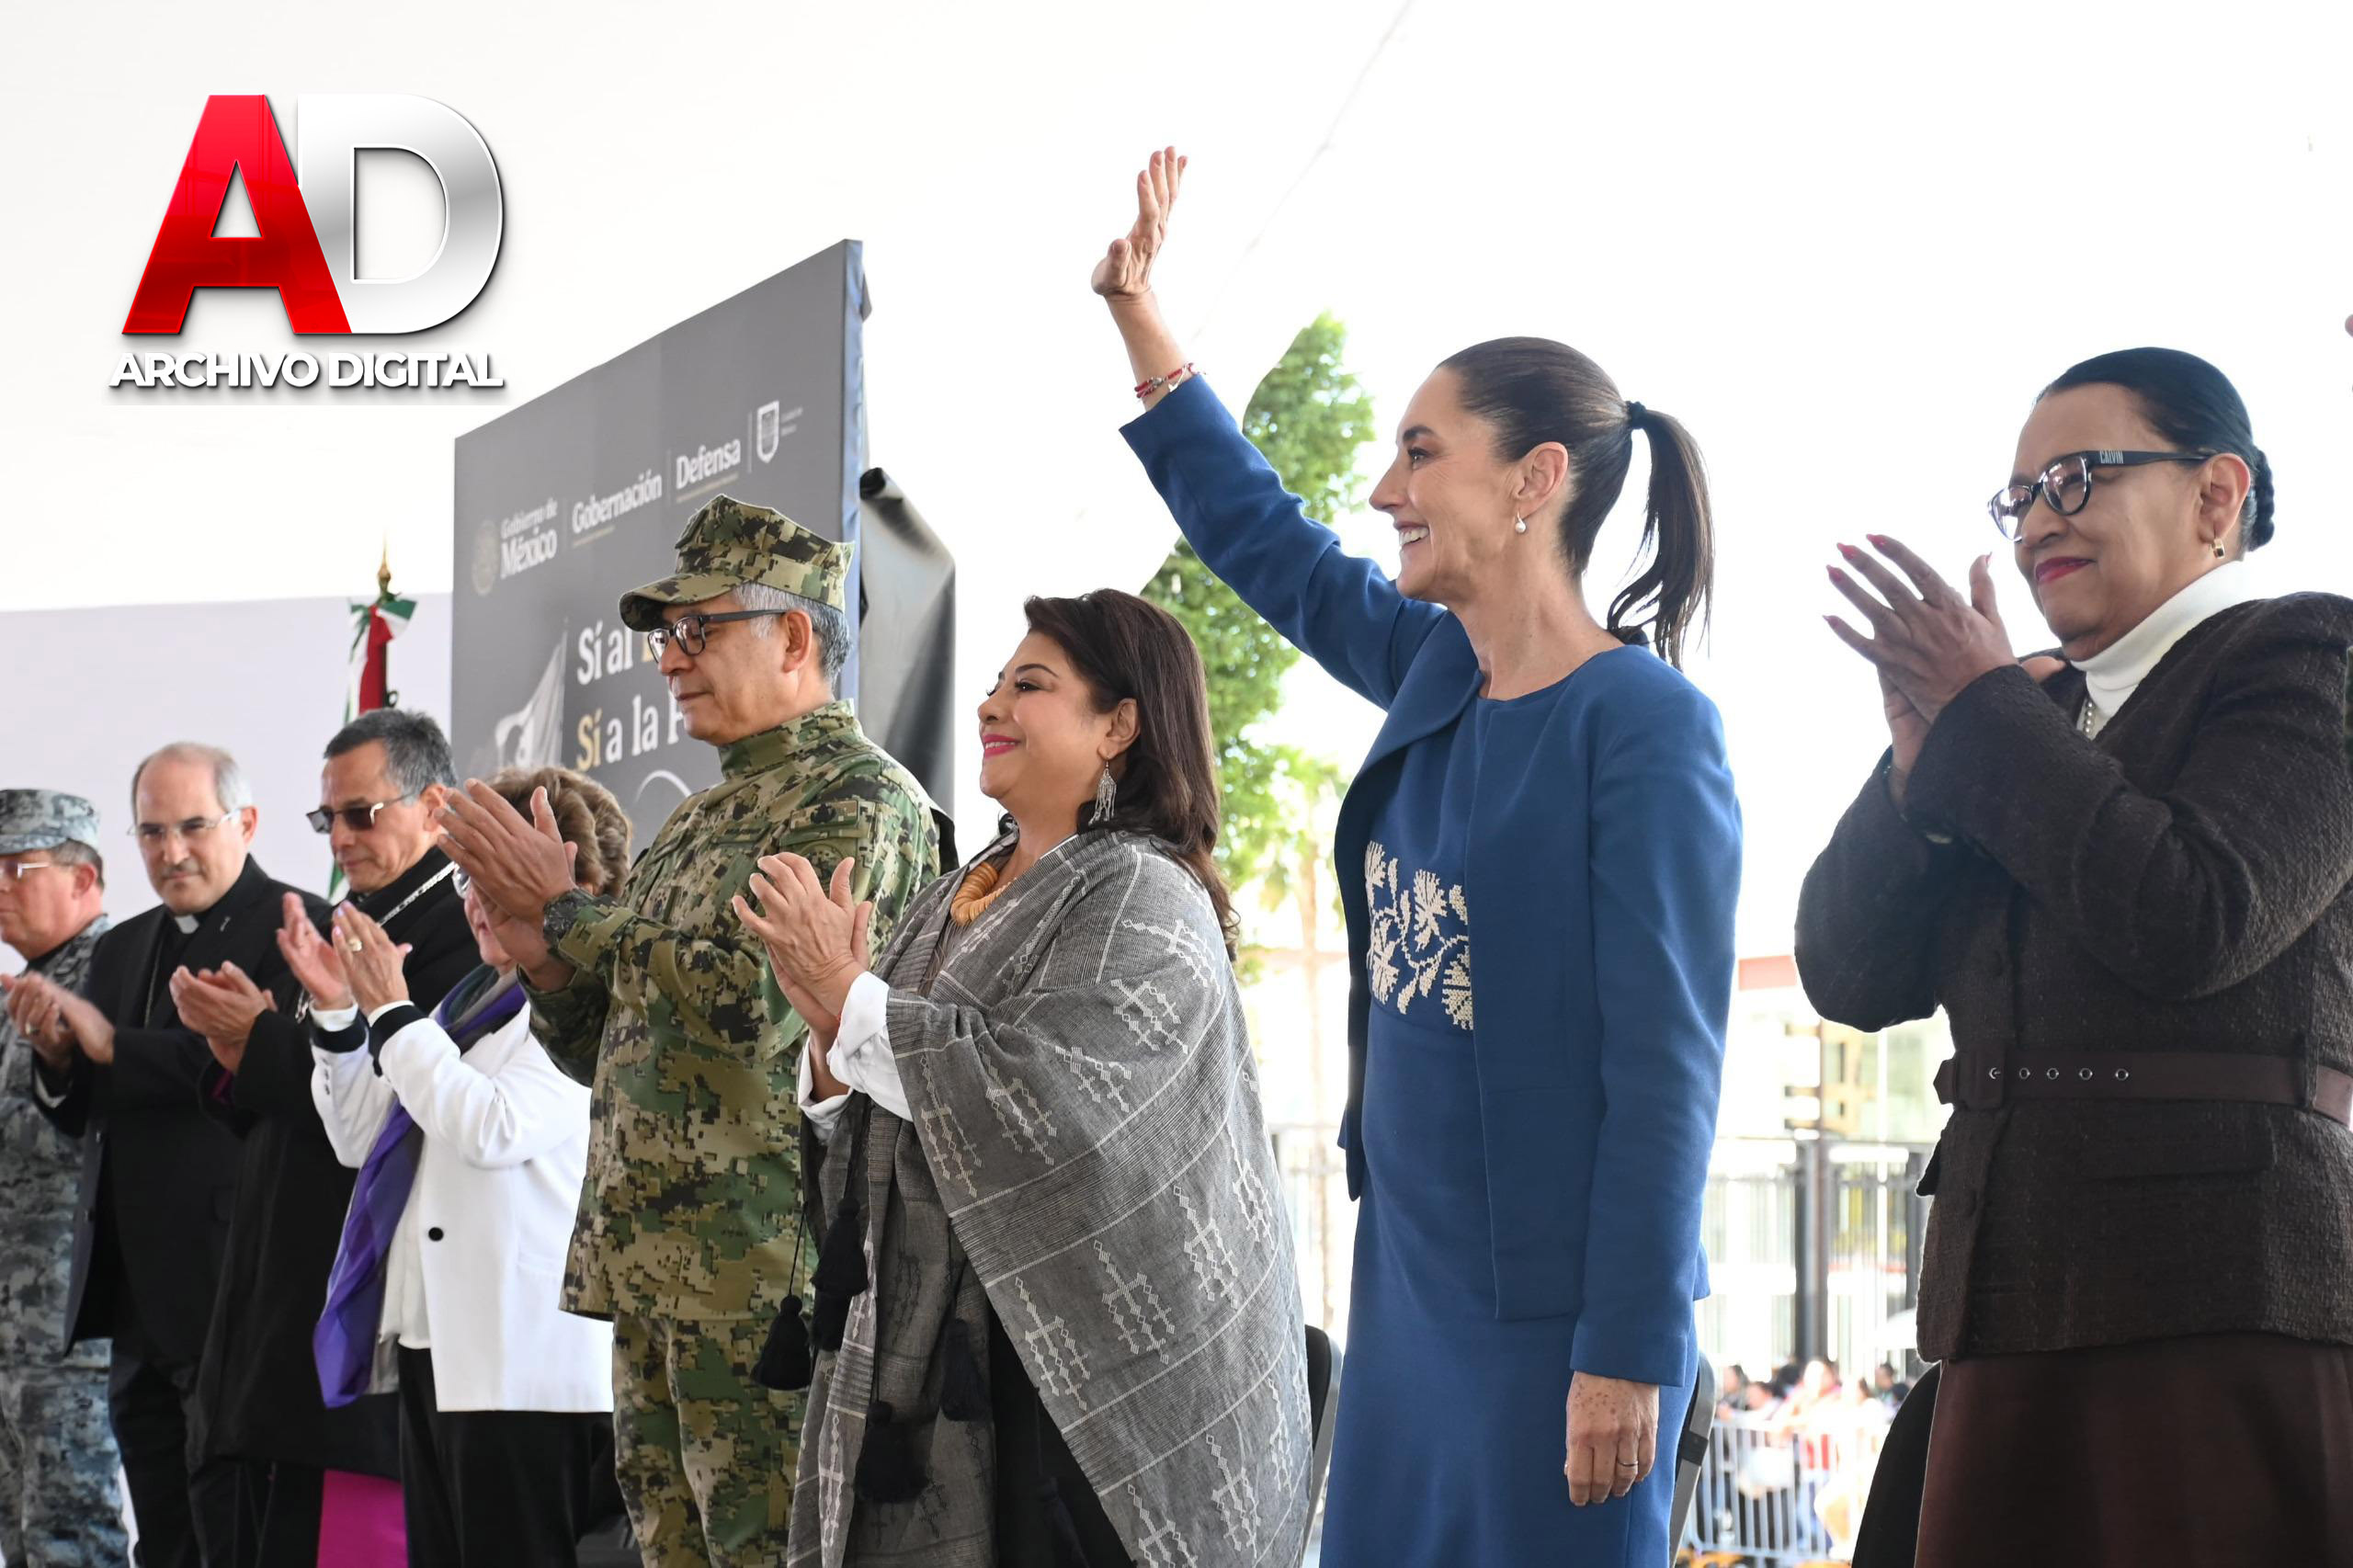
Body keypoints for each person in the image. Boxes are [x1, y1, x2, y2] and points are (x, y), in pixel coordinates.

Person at [1092, 150, 1740, 1567]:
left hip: (1558, 1328)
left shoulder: (1643, 726)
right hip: (1404, 1295)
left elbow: (1668, 1066)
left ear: (1536, 480)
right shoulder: (1433, 667)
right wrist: (1145, 325)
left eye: (1421, 451)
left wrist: (1628, 1344)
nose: (1386, 487)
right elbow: (1271, 546)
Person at [1797, 347, 2353, 1565]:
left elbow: (2198, 915)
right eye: (2020, 496)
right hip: (2002, 1299)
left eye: (2078, 476)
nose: (2039, 519)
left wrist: (1983, 713)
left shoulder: (2311, 654)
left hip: (2224, 1300)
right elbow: (1848, 973)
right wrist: (1918, 780)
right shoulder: (2013, 715)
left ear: (2216, 494)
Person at [738, 589, 1313, 1566]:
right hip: (939, 1359)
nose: (989, 706)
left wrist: (853, 999)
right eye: (995, 683)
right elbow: (890, 1101)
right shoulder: (953, 895)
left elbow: (1059, 1108)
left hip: (1070, 1391)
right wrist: (832, 1043)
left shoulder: (1144, 893)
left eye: (1030, 685)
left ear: (1119, 725)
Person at [439, 495, 939, 1567]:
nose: (670, 659)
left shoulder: (857, 799)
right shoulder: (700, 817)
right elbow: (612, 1051)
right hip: (656, 1272)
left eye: (697, 629)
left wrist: (569, 910)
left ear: (794, 636)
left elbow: (762, 1005)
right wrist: (545, 959)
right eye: (668, 635)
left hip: (761, 1276)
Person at [300, 767, 626, 1567]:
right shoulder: (471, 998)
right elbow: (363, 1135)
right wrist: (342, 1017)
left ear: (572, 881)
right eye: (465, 879)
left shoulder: (590, 997)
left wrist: (392, 1011)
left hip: (526, 1366)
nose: (474, 901)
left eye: (491, 876)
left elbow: (492, 1126)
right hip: (441, 1348)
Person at [174, 710, 475, 1566]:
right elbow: (307, 1091)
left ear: (434, 806)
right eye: (327, 818)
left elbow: (396, 1116)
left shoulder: (461, 930)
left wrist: (264, 1041)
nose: (340, 839)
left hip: (367, 1309)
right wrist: (241, 1049)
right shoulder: (353, 918)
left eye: (360, 814)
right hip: (282, 1286)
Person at [4, 744, 313, 1568]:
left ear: (246, 823)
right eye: (151, 832)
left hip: (231, 1278)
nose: (171, 851)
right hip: (132, 1294)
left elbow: (251, 1068)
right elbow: (90, 1113)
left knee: (233, 1531)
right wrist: (61, 1060)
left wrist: (115, 1045)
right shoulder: (124, 947)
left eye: (192, 827)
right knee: (163, 1533)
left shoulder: (294, 927)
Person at [0, 790, 129, 1566]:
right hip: (15, 1325)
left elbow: (90, 1131)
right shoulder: (23, 987)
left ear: (84, 878)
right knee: (23, 1532)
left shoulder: (112, 976)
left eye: (18, 869)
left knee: (71, 1531)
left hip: (69, 1322)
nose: (0, 888)